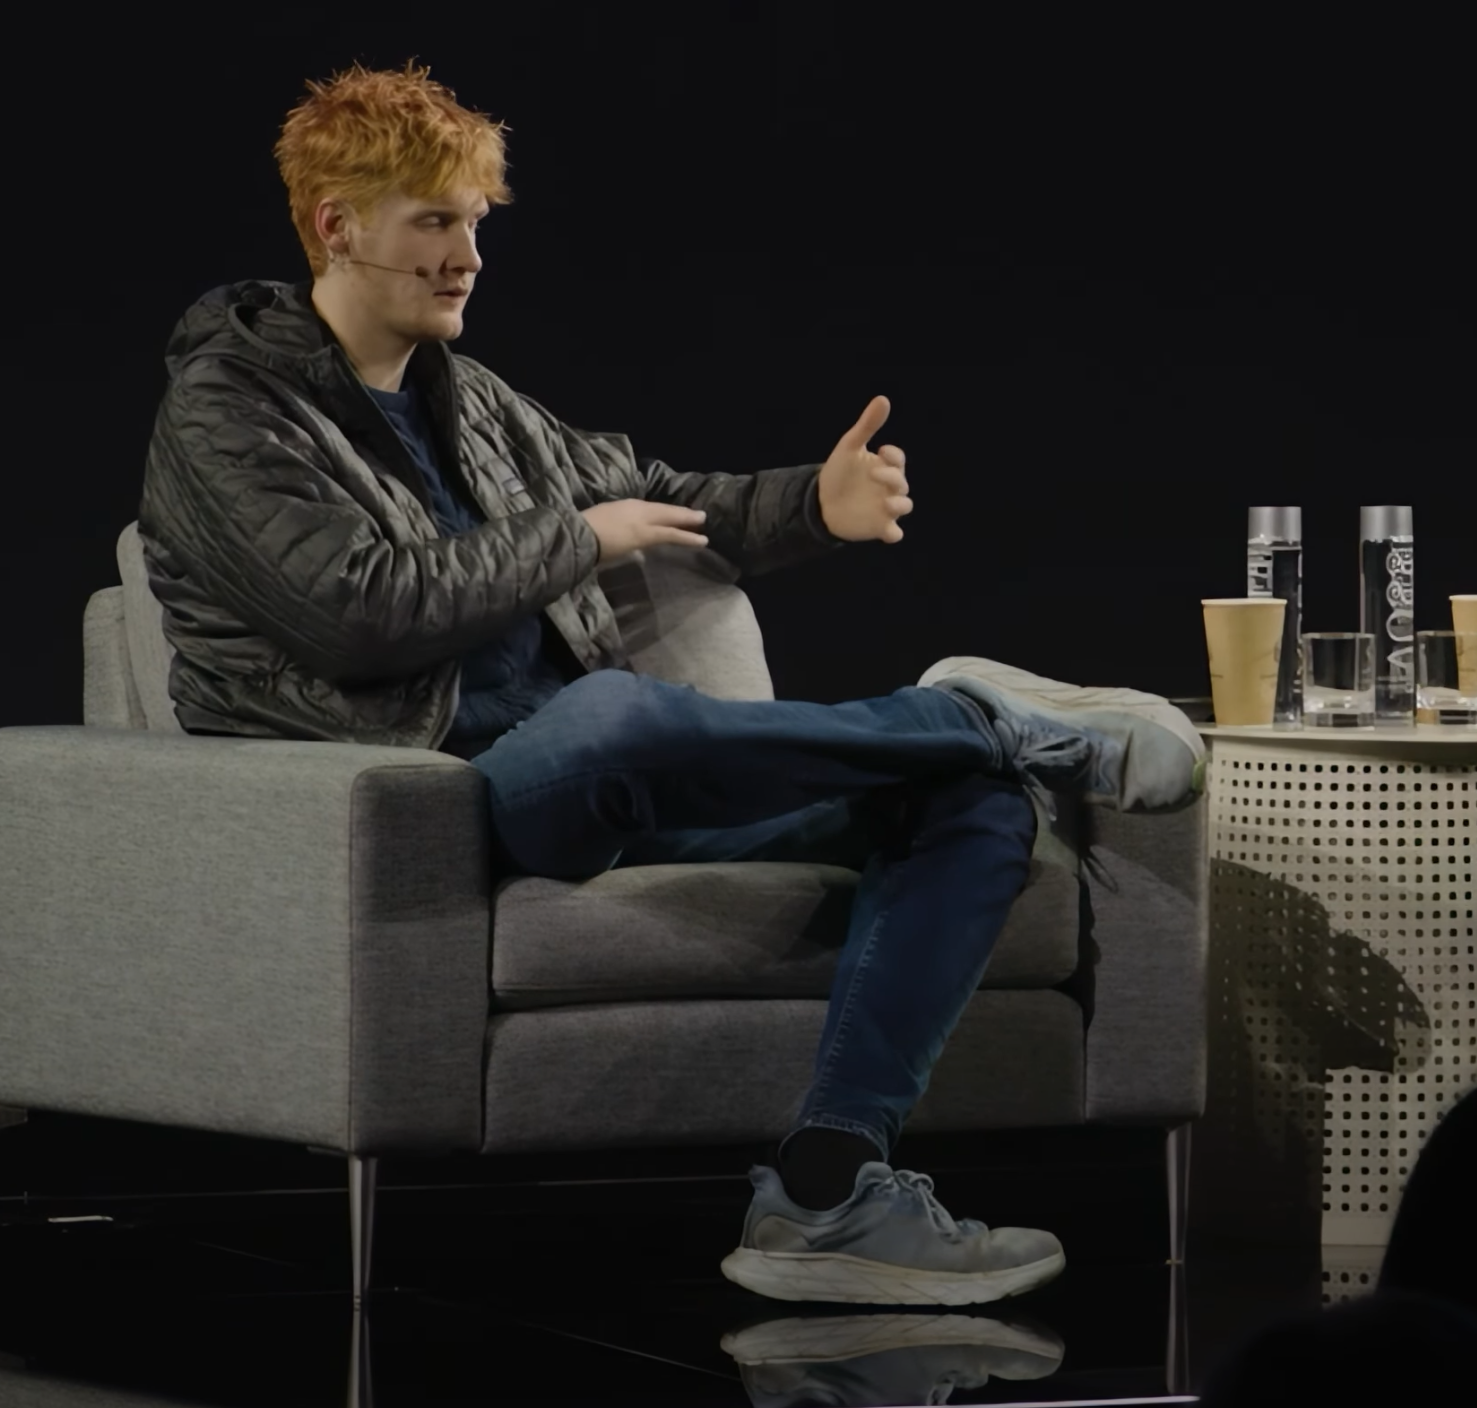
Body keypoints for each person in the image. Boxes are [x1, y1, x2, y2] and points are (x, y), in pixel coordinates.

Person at [138, 59, 1205, 1308]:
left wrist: (813, 503)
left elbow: (653, 493)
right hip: (441, 794)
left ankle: (826, 1192)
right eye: (434, 223)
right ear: (336, 224)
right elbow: (355, 610)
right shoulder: (227, 409)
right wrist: (576, 538)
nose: (468, 257)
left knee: (972, 802)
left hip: (605, 780)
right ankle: (974, 713)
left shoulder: (469, 401)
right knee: (612, 716)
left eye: (475, 223)